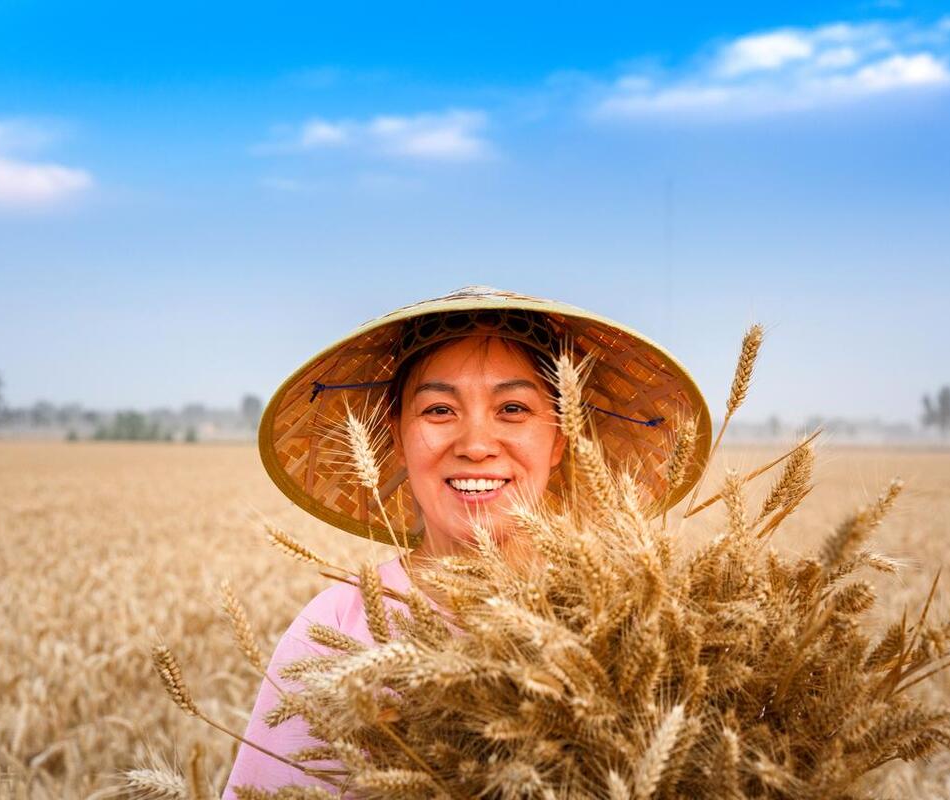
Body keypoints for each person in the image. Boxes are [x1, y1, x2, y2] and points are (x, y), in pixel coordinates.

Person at [222, 286, 710, 798]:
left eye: (514, 408)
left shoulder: (639, 618)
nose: (476, 445)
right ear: (397, 436)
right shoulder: (333, 632)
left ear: (561, 437)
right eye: (438, 410)